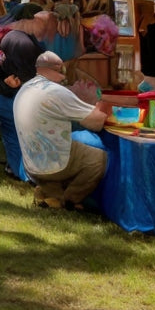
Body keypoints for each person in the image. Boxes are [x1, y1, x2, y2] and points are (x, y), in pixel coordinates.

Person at [13, 50, 108, 210]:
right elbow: (96, 123)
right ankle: (70, 200)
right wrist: (104, 104)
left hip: (30, 163)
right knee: (98, 159)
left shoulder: (25, 87)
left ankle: (50, 194)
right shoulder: (57, 91)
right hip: (51, 163)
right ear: (60, 69)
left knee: (70, 146)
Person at [0, 2, 50, 180]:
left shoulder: (13, 37)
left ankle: (15, 169)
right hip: (13, 100)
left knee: (13, 138)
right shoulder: (22, 42)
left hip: (3, 97)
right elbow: (30, 79)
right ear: (31, 20)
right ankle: (27, 175)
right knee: (22, 139)